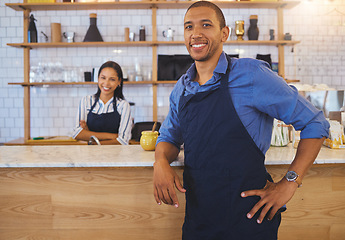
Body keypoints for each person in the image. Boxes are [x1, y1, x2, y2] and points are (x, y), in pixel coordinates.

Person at [153, 1, 330, 239]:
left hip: (249, 220)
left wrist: (290, 182)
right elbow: (169, 138)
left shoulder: (251, 74)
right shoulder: (181, 89)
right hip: (199, 221)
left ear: (224, 33)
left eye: (206, 25)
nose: (196, 33)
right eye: (188, 27)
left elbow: (315, 123)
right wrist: (160, 161)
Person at [72, 61, 132, 145]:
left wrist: (91, 139)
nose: (106, 83)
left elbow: (123, 140)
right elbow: (76, 133)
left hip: (116, 156)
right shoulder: (86, 101)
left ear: (119, 82)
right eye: (103, 78)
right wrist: (112, 136)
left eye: (112, 79)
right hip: (89, 156)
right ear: (98, 78)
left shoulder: (123, 105)